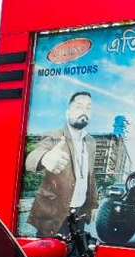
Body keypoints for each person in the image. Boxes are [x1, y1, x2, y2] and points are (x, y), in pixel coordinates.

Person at [24, 91, 98, 237]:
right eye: (79, 106)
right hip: (53, 214)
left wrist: (94, 204)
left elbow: (91, 175)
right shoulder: (55, 136)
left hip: (79, 213)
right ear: (67, 112)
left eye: (88, 108)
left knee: (75, 250)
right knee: (50, 251)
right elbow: (31, 158)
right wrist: (45, 158)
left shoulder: (91, 142)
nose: (84, 111)